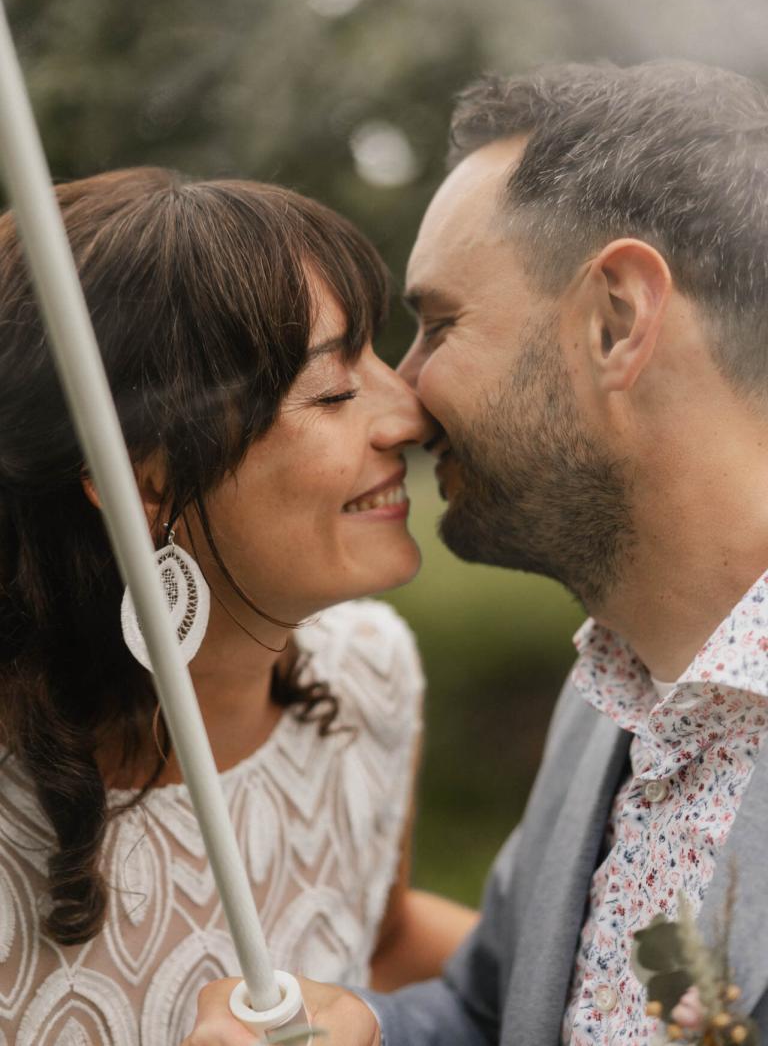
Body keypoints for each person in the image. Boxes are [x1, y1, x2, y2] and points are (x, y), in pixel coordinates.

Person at [189, 59, 768, 1045]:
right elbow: (508, 1011)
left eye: (438, 323)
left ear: (617, 320)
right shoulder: (614, 702)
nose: (405, 401)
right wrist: (367, 1032)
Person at [0, 168, 477, 1045]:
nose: (408, 412)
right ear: (148, 476)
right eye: (334, 390)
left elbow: (387, 933)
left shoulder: (367, 669)